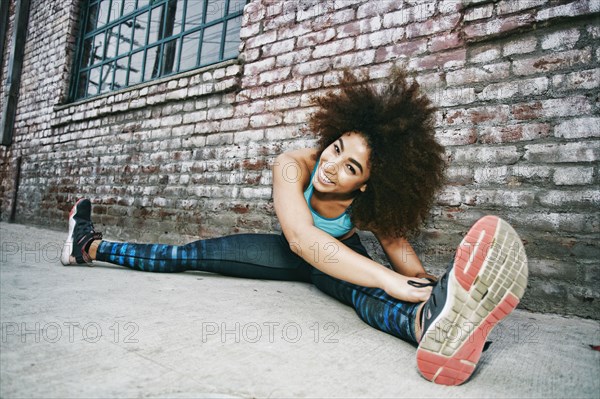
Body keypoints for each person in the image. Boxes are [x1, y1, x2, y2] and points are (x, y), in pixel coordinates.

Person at [60, 68, 528, 385]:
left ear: (367, 185)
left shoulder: (372, 202)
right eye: (337, 148)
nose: (332, 166)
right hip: (289, 249)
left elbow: (396, 247)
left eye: (351, 168)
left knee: (362, 292)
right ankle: (88, 244)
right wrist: (392, 280)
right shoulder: (293, 164)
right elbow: (303, 240)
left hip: (339, 252)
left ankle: (432, 325)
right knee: (189, 254)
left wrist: (428, 286)